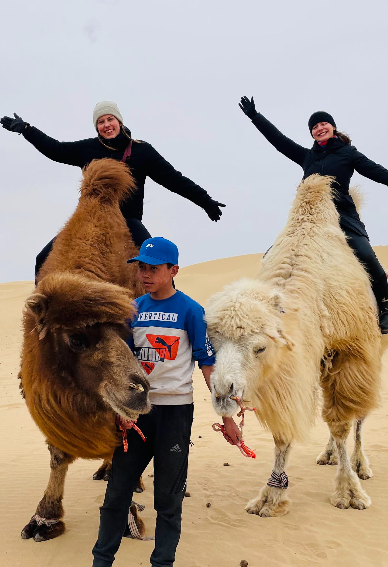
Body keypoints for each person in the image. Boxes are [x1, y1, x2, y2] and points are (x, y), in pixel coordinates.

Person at [91, 237, 241, 567]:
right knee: (116, 496)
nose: (145, 274)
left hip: (174, 414)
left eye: (153, 268)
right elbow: (121, 363)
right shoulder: (134, 310)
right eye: (142, 267)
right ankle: (101, 562)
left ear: (173, 270)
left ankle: (162, 563)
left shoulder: (190, 310)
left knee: (168, 500)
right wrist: (122, 409)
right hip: (136, 413)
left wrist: (227, 414)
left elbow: (207, 363)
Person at [238, 96, 388, 334]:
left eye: (323, 124)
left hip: (342, 217)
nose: (319, 128)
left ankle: (385, 309)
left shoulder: (349, 154)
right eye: (314, 127)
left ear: (333, 127)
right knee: (271, 257)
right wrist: (255, 116)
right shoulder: (308, 157)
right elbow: (278, 141)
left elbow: (382, 174)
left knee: (368, 258)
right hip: (308, 218)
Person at [0, 102, 226, 278]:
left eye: (110, 119)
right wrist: (27, 130)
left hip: (127, 221)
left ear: (119, 121)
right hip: (90, 220)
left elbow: (174, 179)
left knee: (154, 261)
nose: (106, 125)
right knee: (43, 259)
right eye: (101, 122)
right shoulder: (88, 149)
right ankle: (41, 315)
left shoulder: (141, 151)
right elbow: (56, 149)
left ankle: (172, 309)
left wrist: (205, 201)